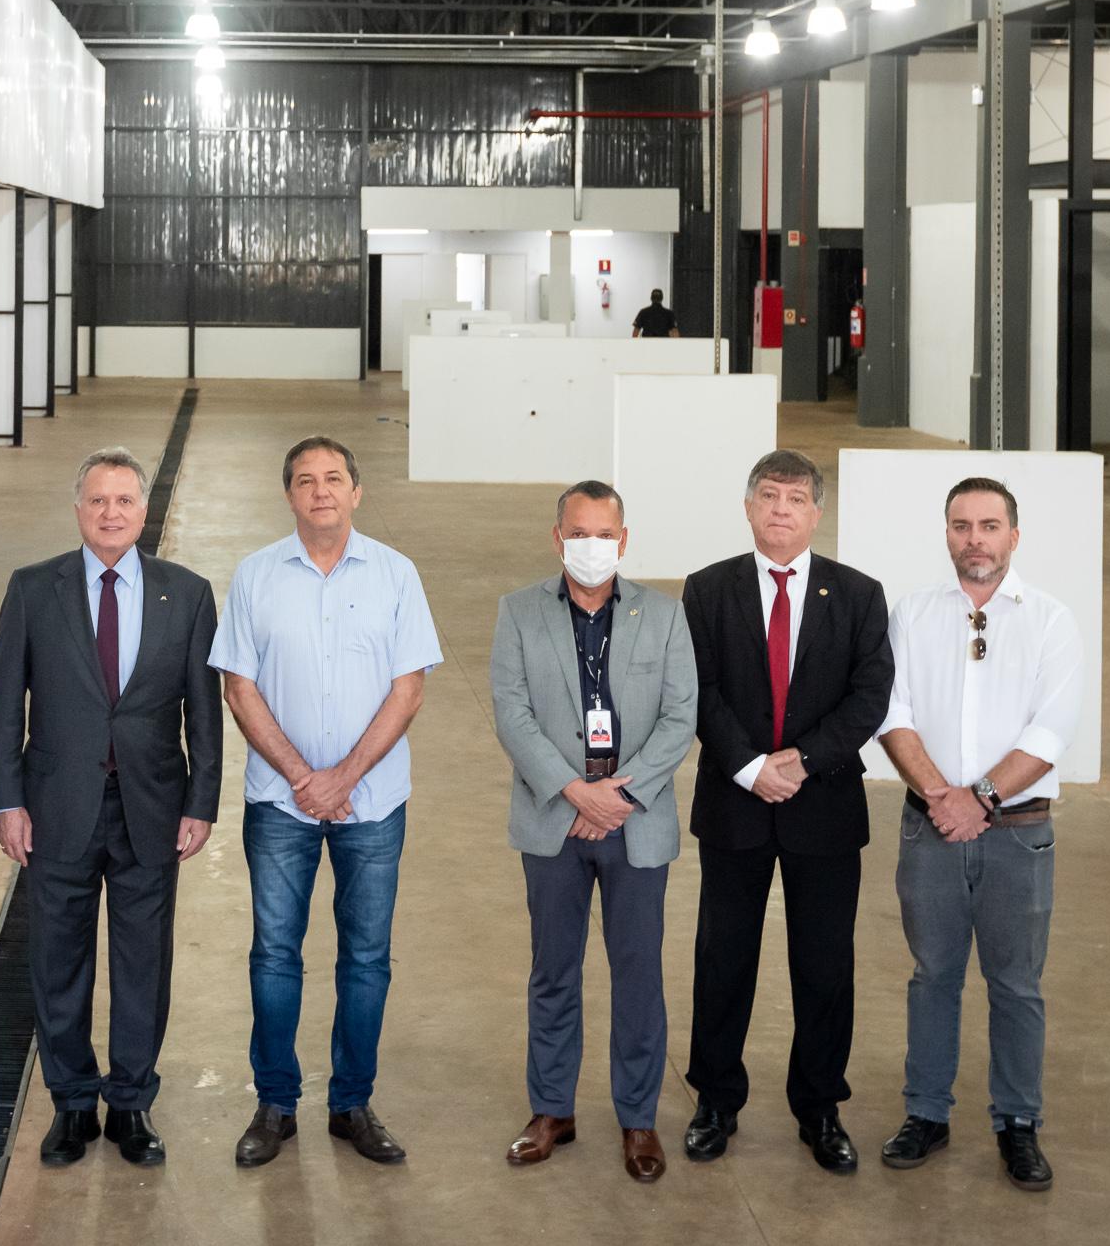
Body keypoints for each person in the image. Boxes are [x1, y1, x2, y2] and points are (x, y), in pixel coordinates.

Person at [0, 447, 223, 1167]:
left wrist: (201, 802)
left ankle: (130, 1103)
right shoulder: (34, 588)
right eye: (97, 500)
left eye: (124, 500)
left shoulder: (187, 593)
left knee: (143, 961)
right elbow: (5, 704)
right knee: (57, 959)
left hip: (153, 806)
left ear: (143, 512)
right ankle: (70, 1103)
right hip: (57, 805)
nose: (110, 512)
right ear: (78, 509)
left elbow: (204, 712)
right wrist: (8, 801)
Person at [211, 436, 443, 1169]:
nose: (321, 491)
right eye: (306, 480)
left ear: (356, 492)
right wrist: (303, 777)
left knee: (366, 958)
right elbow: (238, 687)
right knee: (275, 954)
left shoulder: (397, 574)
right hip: (279, 805)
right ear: (289, 495)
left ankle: (352, 1103)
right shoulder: (255, 575)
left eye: (334, 478)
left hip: (372, 803)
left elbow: (409, 688)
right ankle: (276, 1103)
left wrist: (343, 776)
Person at [680, 448, 892, 1174]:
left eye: (796, 499)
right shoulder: (707, 590)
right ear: (748, 507)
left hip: (823, 805)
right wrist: (749, 767)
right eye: (768, 496)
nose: (781, 510)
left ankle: (820, 1106)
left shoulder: (858, 594)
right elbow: (698, 688)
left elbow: (870, 695)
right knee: (723, 958)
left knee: (825, 965)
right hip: (734, 804)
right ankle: (715, 1099)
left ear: (817, 514)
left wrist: (801, 760)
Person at [875, 478, 1080, 1192]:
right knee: (932, 974)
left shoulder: (1051, 620)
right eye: (961, 525)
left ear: (1013, 536)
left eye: (990, 525)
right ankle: (926, 1113)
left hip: (1018, 835)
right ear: (947, 534)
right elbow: (892, 712)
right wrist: (943, 797)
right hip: (930, 826)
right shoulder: (912, 614)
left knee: (1016, 983)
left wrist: (981, 800)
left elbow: (1052, 731)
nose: (975, 539)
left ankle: (1017, 1123)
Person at [490, 481, 698, 1183]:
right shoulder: (518, 611)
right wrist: (574, 790)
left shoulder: (664, 615)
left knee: (638, 973)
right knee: (554, 969)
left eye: (604, 534)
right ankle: (552, 1109)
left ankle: (638, 1117)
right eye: (578, 533)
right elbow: (512, 712)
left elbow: (680, 717)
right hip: (555, 817)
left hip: (635, 822)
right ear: (558, 538)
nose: (591, 546)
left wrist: (619, 795)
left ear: (624, 540)